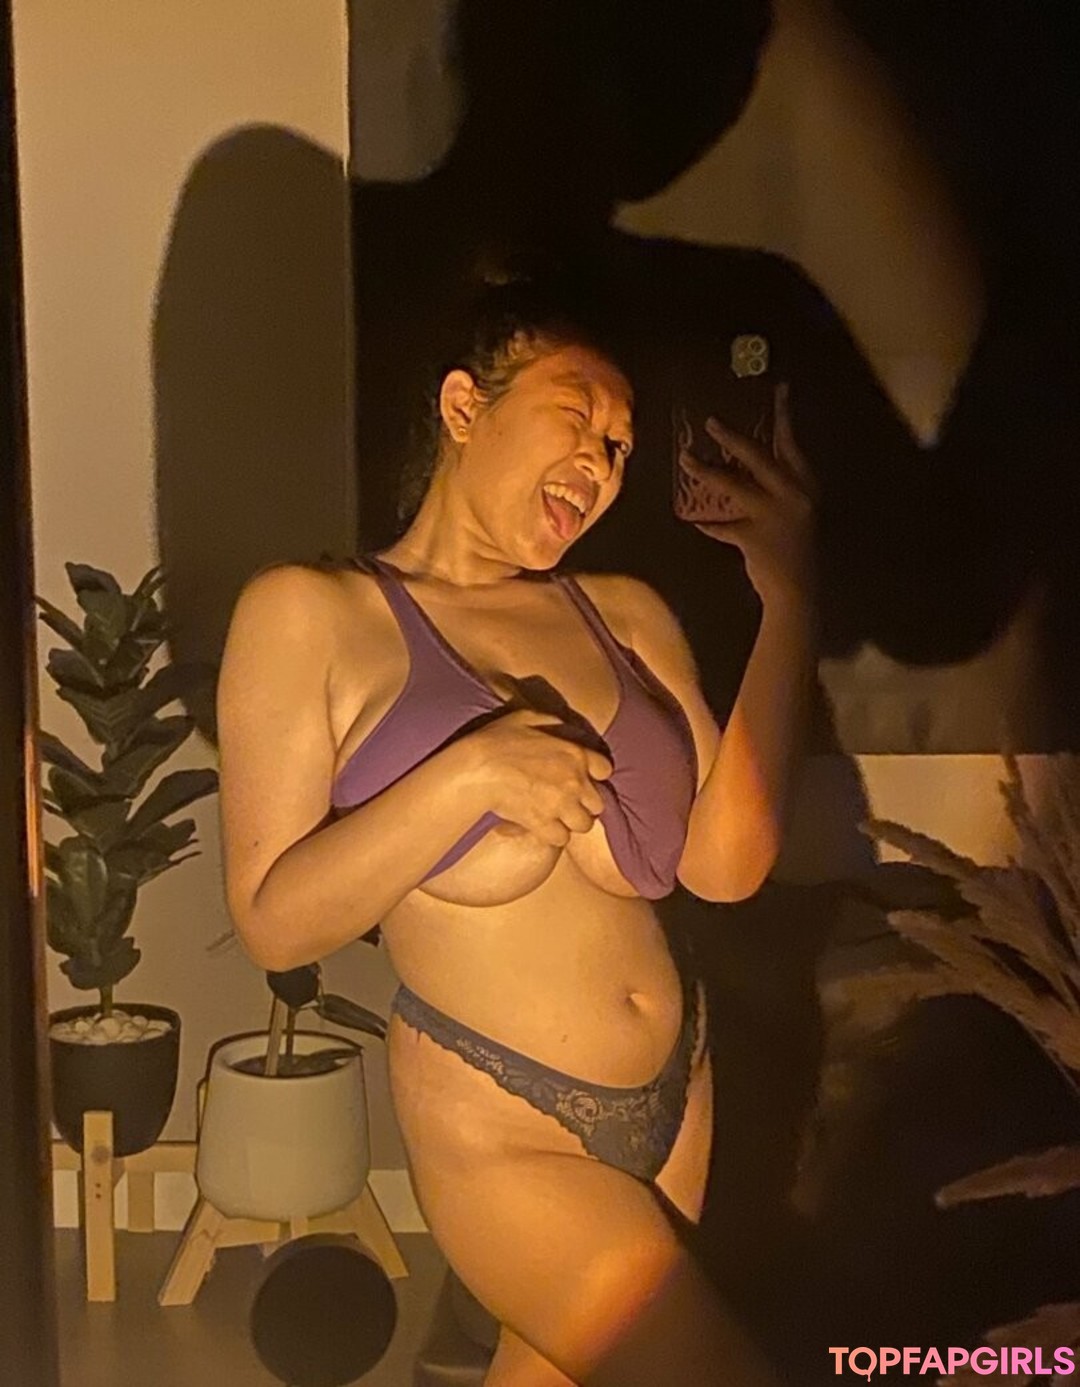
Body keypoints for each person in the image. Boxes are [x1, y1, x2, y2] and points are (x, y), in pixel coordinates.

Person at [216, 279, 817, 1386]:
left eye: (621, 445)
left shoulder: (625, 611)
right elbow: (273, 921)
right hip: (501, 1121)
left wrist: (789, 604)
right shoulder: (313, 614)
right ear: (464, 407)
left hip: (678, 1093)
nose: (602, 459)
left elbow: (727, 866)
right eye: (576, 416)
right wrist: (470, 774)